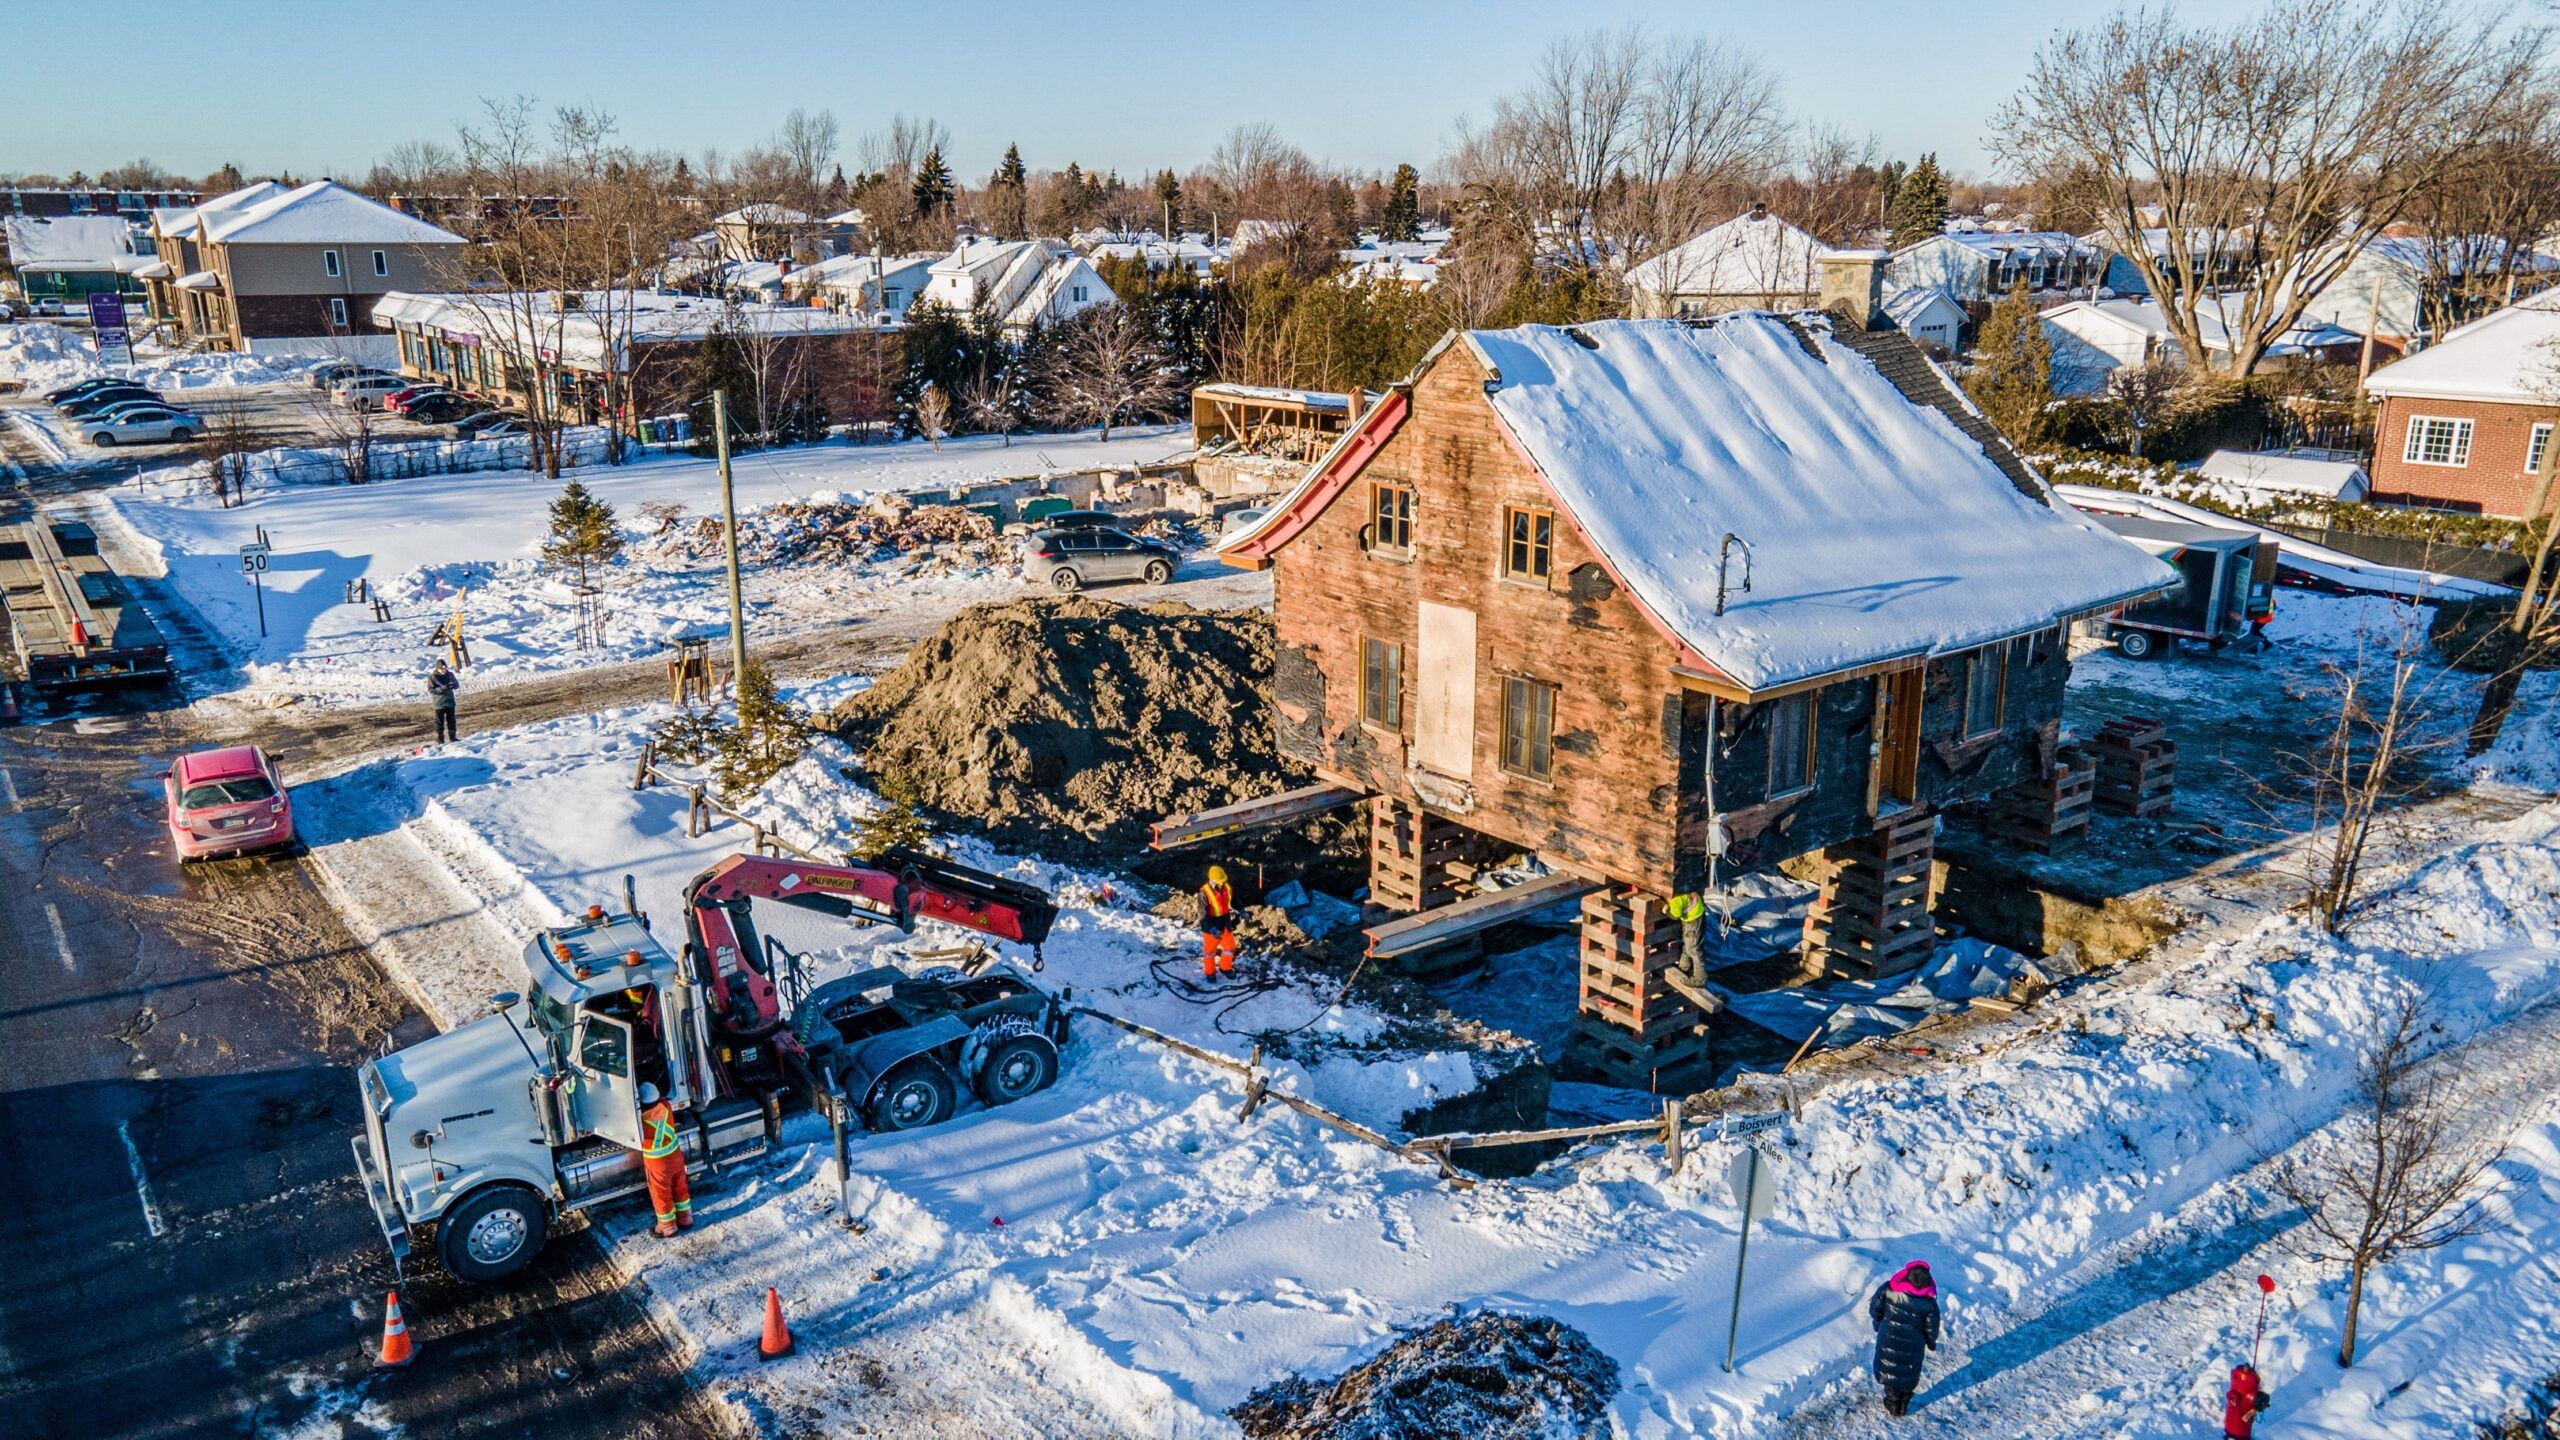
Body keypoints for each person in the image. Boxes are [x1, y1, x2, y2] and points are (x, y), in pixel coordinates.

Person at [1868, 1260, 1941, 1417]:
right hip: (1914, 1345)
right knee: (1908, 1373)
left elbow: (1875, 1307)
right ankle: (1905, 1400)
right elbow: (1932, 1327)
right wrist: (1931, 1342)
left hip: (1889, 1338)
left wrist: (1877, 1323)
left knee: (1890, 1371)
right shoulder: (1929, 1303)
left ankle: (1893, 1403)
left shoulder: (1889, 1289)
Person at [636, 1082, 692, 1238]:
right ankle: (686, 1218)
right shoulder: (666, 1106)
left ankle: (667, 1227)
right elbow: (661, 1098)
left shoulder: (640, 1120)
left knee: (661, 1193)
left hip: (657, 1162)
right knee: (680, 1186)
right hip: (675, 1155)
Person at [1198, 863, 1237, 981]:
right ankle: (1210, 973)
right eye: (1219, 881)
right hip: (1211, 926)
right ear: (1212, 880)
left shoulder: (1227, 887)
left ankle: (1225, 967)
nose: (1222, 883)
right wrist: (1212, 929)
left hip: (1225, 924)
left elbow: (1235, 900)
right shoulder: (1204, 892)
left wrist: (1242, 910)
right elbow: (1202, 915)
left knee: (1230, 947)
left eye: (1223, 880)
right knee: (1209, 952)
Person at [427, 659, 460, 743]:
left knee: (451, 720)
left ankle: (453, 737)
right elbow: (431, 690)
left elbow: (456, 684)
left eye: (444, 669)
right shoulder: (432, 677)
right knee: (439, 722)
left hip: (450, 702)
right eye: (441, 669)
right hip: (439, 704)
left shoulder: (450, 674)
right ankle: (440, 738)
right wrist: (441, 689)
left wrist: (453, 685)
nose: (443, 670)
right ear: (437, 668)